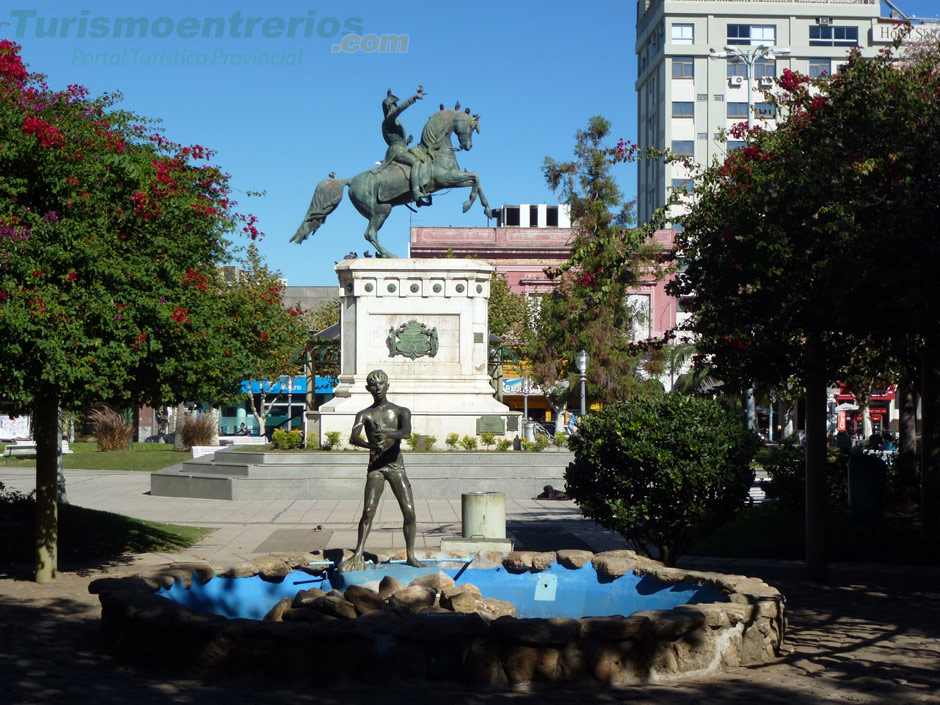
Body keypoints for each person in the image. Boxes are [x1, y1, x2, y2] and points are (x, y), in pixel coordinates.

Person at [339, 369, 425, 572]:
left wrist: (389, 433)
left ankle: (411, 555)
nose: (377, 389)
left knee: (409, 512)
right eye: (373, 386)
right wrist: (370, 446)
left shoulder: (401, 411)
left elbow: (406, 432)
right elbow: (354, 436)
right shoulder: (365, 414)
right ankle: (358, 553)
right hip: (376, 467)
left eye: (381, 385)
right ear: (368, 389)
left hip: (396, 466)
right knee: (368, 511)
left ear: (388, 386)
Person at [377, 86, 430, 205]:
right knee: (416, 162)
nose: (395, 107)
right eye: (394, 105)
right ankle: (416, 193)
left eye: (395, 105)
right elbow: (400, 109)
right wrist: (413, 98)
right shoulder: (388, 120)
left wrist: (407, 142)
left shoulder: (391, 122)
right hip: (397, 151)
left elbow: (396, 140)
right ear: (390, 108)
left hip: (401, 148)